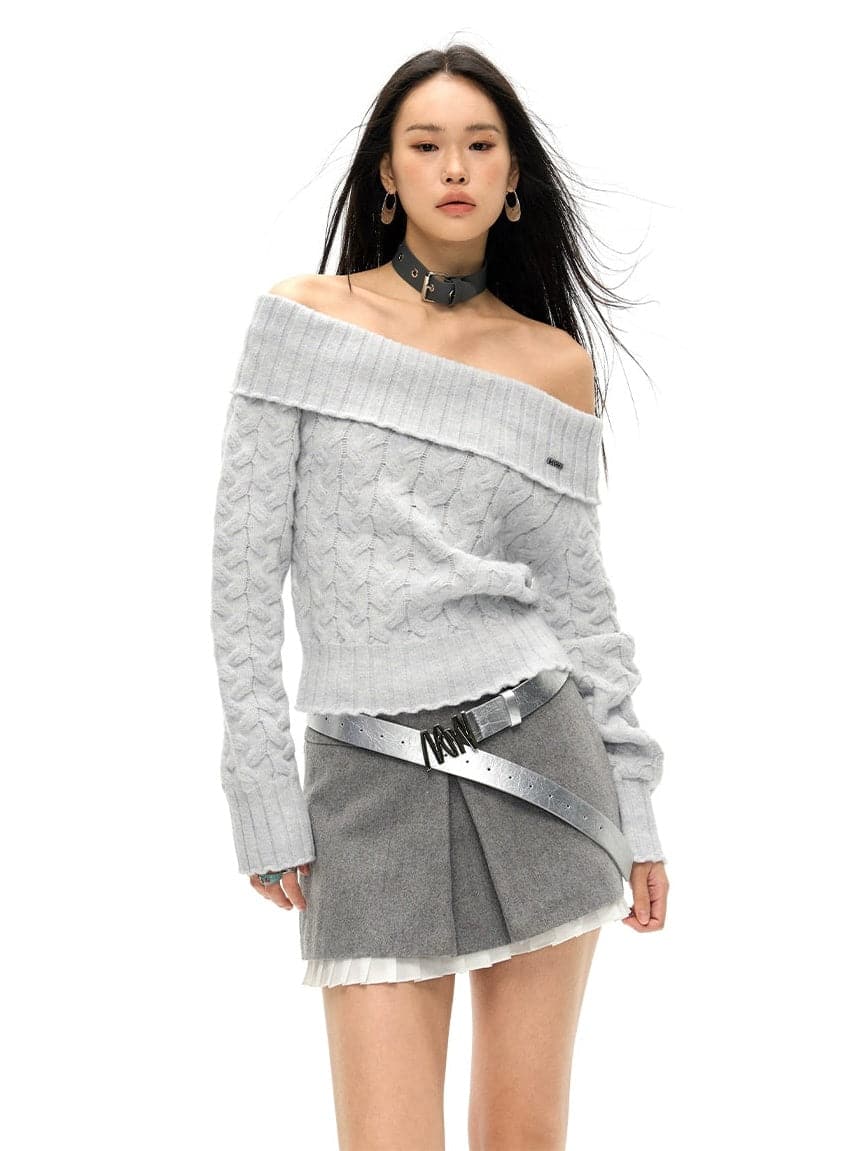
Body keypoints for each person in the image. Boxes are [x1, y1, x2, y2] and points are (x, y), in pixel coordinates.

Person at [210, 43, 669, 1151]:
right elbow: (240, 581)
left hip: (540, 764)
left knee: (521, 1136)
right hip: (362, 776)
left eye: (478, 145)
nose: (452, 167)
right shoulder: (302, 322)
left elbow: (579, 602)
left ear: (513, 178)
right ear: (387, 171)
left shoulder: (550, 362)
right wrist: (261, 793)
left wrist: (636, 801)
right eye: (425, 144)